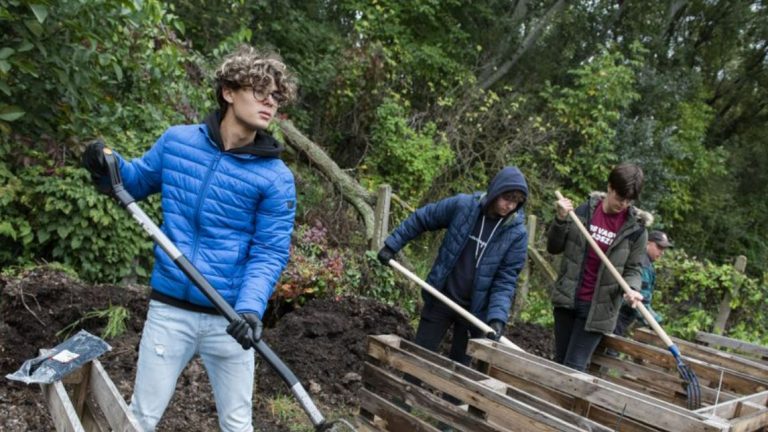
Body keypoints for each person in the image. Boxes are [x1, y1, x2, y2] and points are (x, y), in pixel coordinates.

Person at [82, 45, 297, 431]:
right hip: (170, 312)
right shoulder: (178, 142)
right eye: (259, 91)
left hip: (230, 319)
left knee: (237, 424)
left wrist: (250, 309)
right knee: (141, 417)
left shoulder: (276, 178)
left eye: (276, 97)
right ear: (228, 92)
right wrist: (105, 169)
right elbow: (133, 183)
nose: (270, 102)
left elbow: (269, 251)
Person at [377, 166, 529, 366]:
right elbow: (423, 218)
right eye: (507, 198)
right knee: (418, 358)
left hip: (475, 311)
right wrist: (392, 245)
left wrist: (496, 318)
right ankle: (404, 396)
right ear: (496, 191)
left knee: (459, 371)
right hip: (442, 296)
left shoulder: (516, 234)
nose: (510, 206)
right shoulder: (464, 206)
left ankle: (451, 399)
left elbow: (506, 280)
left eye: (516, 202)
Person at [547, 163, 650, 372]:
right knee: (559, 364)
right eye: (620, 198)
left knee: (574, 369)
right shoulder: (583, 211)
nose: (624, 204)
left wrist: (632, 289)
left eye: (629, 200)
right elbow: (554, 247)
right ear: (610, 187)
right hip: (568, 299)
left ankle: (566, 405)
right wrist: (560, 219)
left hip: (599, 309)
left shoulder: (636, 230)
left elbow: (634, 269)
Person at [613, 230, 671, 336]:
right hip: (618, 316)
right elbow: (639, 301)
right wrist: (655, 322)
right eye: (659, 247)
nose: (662, 252)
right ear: (647, 243)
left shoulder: (647, 263)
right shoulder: (641, 264)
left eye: (664, 249)